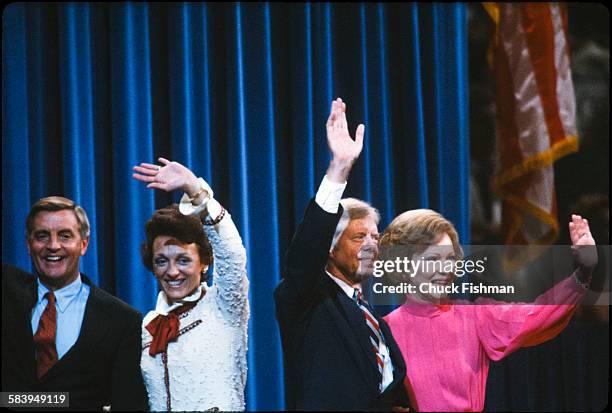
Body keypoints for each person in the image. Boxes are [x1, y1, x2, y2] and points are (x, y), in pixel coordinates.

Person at [380, 209, 598, 412]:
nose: (445, 269)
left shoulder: (475, 316)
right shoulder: (383, 331)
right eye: (433, 259)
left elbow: (538, 314)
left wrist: (582, 273)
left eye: (449, 259)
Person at [274, 98, 410, 411]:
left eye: (375, 237)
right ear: (330, 248)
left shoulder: (374, 319)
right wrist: (339, 169)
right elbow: (304, 254)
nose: (371, 245)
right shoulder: (307, 299)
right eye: (359, 236)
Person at [1, 197, 147, 410]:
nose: (53, 246)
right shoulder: (7, 290)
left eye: (65, 236)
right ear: (28, 244)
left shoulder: (122, 320)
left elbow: (128, 404)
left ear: (84, 244)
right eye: (42, 236)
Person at [132, 158, 249, 411]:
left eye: (183, 260)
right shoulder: (146, 325)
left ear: (205, 261)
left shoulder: (224, 307)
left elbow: (233, 254)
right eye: (161, 261)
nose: (172, 271)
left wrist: (196, 190)